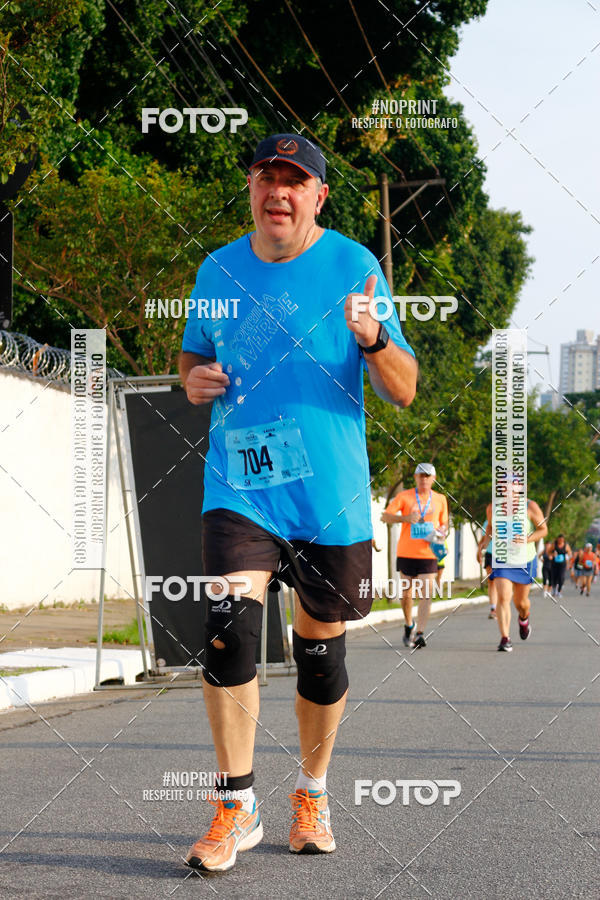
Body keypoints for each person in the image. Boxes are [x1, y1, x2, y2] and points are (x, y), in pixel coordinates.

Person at [178, 133, 417, 871]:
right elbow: (193, 354)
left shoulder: (355, 265)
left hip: (328, 496)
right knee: (228, 626)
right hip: (241, 485)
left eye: (294, 180)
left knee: (320, 654)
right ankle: (236, 804)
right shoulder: (217, 269)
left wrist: (373, 339)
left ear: (318, 196)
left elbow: (404, 388)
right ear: (252, 188)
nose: (277, 191)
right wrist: (192, 379)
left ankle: (311, 792)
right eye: (266, 176)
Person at [381, 463, 449, 649]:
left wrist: (442, 532)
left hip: (429, 553)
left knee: (426, 593)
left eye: (427, 476)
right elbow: (385, 516)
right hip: (406, 553)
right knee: (406, 595)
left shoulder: (440, 499)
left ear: (434, 479)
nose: (424, 479)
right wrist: (405, 518)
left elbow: (444, 523)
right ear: (415, 477)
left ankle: (420, 633)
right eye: (421, 475)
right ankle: (409, 624)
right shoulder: (404, 496)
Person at [483, 490, 547, 652]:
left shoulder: (530, 506)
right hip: (502, 557)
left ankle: (524, 619)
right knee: (503, 597)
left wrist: (526, 539)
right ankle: (505, 638)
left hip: (525, 560)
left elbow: (543, 530)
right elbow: (490, 526)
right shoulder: (493, 507)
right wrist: (484, 544)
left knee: (521, 603)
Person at [477, 516, 497, 619]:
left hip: (504, 555)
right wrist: (479, 552)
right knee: (491, 581)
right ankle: (493, 608)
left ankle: (501, 606)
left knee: (501, 582)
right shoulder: (487, 522)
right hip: (490, 554)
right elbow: (484, 539)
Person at [549, 534, 571, 598]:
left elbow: (569, 553)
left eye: (562, 540)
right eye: (559, 539)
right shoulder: (554, 545)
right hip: (554, 564)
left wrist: (567, 558)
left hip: (562, 564)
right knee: (554, 577)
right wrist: (552, 554)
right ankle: (554, 590)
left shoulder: (566, 545)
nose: (561, 541)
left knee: (561, 577)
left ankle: (559, 591)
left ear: (563, 540)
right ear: (557, 539)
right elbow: (549, 552)